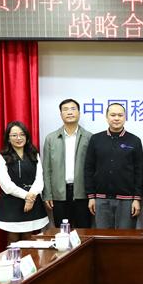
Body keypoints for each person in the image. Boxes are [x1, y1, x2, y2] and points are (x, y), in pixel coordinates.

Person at [84, 103, 143, 228]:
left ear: (125, 117)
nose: (116, 118)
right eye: (113, 115)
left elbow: (139, 172)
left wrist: (137, 199)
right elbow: (89, 169)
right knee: (103, 237)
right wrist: (91, 197)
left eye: (120, 115)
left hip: (127, 200)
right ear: (107, 117)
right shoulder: (96, 139)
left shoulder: (135, 140)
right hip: (100, 199)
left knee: (125, 237)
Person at [41, 98, 93, 229]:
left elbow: (93, 168)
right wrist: (47, 194)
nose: (69, 112)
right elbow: (46, 168)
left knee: (83, 231)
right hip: (59, 193)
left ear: (79, 113)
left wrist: (93, 195)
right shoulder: (51, 138)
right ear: (61, 114)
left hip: (82, 193)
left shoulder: (89, 137)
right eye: (65, 109)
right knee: (62, 231)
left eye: (73, 109)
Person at [0, 121, 49, 242]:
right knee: (13, 238)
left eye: (22, 134)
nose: (18, 138)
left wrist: (31, 197)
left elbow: (39, 178)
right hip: (12, 202)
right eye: (14, 135)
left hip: (33, 201)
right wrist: (26, 197)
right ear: (8, 138)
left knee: (28, 237)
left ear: (26, 136)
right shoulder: (2, 156)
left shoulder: (34, 154)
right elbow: (6, 184)